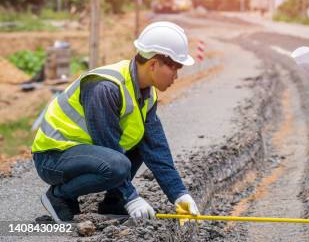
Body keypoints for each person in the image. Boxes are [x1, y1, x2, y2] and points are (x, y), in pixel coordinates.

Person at [31, 21, 201, 223]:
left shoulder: (147, 95)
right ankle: (59, 197)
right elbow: (108, 145)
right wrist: (132, 198)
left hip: (83, 154)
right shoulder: (105, 87)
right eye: (174, 68)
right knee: (117, 165)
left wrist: (179, 194)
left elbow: (156, 148)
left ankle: (113, 202)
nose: (176, 76)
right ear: (154, 64)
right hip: (53, 158)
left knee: (139, 143)